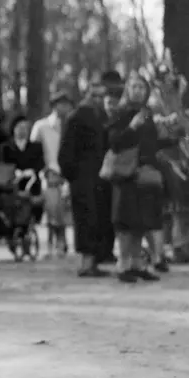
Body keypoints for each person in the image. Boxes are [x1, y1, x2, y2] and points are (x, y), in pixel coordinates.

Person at [106, 84, 169, 282]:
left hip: (145, 174)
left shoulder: (148, 114)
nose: (139, 91)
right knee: (125, 223)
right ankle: (123, 265)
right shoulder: (120, 113)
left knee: (141, 222)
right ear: (128, 91)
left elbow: (153, 143)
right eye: (135, 87)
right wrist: (132, 127)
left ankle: (137, 264)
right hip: (126, 174)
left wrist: (173, 137)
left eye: (142, 87)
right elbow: (114, 142)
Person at [59, 72, 120, 277]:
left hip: (97, 178)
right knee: (86, 220)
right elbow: (66, 154)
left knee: (95, 220)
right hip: (84, 179)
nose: (98, 99)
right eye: (94, 95)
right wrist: (74, 177)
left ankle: (93, 261)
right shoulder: (77, 116)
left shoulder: (99, 116)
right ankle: (86, 263)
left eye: (101, 96)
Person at [31, 89, 76, 255]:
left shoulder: (74, 125)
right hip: (50, 172)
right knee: (53, 208)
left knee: (68, 210)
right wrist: (45, 169)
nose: (64, 108)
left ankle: (67, 241)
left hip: (71, 173)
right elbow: (34, 151)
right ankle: (56, 241)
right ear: (54, 106)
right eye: (60, 104)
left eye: (67, 104)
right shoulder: (42, 126)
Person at [0, 115, 44, 223]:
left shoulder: (36, 147)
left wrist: (31, 172)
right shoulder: (6, 147)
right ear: (13, 129)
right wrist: (14, 172)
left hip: (32, 184)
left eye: (25, 128)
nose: (22, 131)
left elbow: (40, 164)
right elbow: (3, 166)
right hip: (13, 185)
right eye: (19, 127)